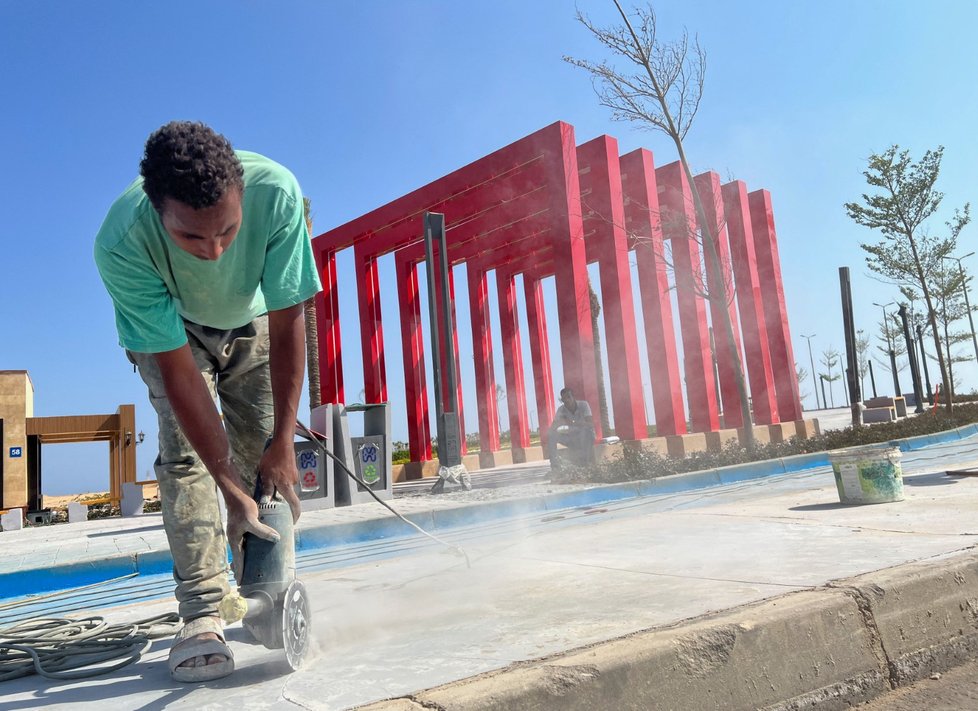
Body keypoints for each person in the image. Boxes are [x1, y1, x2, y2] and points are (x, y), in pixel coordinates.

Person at [94, 121, 322, 682]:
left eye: (227, 231)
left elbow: (290, 313)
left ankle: (267, 593)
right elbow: (175, 368)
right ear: (156, 211)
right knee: (186, 457)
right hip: (175, 334)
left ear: (242, 194)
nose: (215, 252)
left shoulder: (277, 193)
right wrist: (225, 484)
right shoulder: (122, 243)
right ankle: (201, 613)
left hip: (254, 321)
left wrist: (282, 441)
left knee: (266, 468)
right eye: (192, 238)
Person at [546, 387, 596, 470]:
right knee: (551, 435)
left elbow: (590, 424)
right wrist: (559, 423)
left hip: (585, 437)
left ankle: (586, 464)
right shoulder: (561, 410)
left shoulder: (583, 405)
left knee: (586, 431)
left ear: (573, 397)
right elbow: (552, 429)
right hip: (571, 438)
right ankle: (555, 467)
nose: (567, 400)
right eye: (564, 398)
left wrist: (572, 423)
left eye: (568, 397)